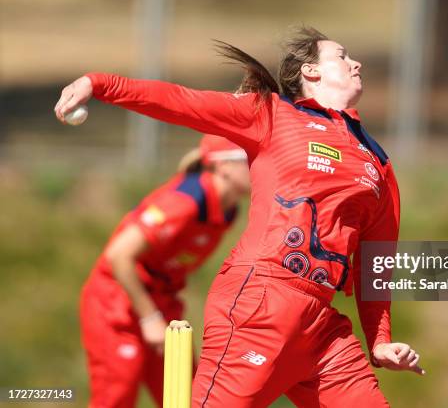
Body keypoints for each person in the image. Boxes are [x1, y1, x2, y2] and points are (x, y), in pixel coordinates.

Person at [56, 27, 424, 408]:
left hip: (320, 327)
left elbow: (377, 261)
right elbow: (181, 101)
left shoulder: (376, 161)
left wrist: (380, 340)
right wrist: (100, 84)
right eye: (342, 56)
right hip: (262, 301)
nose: (356, 62)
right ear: (310, 72)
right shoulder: (272, 115)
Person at [79, 135, 250, 408]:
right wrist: (150, 319)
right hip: (117, 304)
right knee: (116, 398)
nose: (260, 165)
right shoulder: (186, 202)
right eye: (249, 159)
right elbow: (118, 255)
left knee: (187, 397)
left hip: (163, 304)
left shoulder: (228, 210)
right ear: (223, 166)